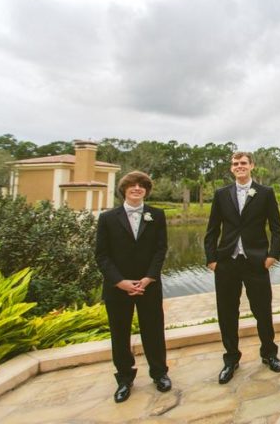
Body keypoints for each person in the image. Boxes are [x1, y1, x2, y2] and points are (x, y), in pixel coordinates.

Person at [204, 151, 280, 383]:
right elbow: (212, 230)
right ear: (231, 168)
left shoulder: (265, 193)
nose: (239, 166)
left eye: (243, 163)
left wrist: (272, 255)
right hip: (227, 263)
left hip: (256, 262)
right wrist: (211, 259)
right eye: (235, 164)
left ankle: (269, 354)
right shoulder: (221, 195)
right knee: (227, 313)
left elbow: (277, 228)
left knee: (263, 311)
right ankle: (231, 359)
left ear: (252, 166)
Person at [95, 171, 170, 403]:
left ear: (146, 190)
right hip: (118, 286)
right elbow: (102, 255)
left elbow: (160, 250)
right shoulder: (107, 218)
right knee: (120, 333)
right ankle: (125, 379)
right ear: (124, 190)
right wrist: (120, 282)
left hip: (149, 285)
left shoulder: (156, 215)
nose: (137, 188)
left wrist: (149, 277)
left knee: (154, 330)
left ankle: (159, 373)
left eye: (141, 186)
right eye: (132, 185)